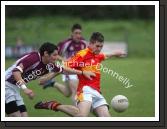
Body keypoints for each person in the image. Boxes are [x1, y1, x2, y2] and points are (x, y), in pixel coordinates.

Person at [35, 32, 126, 117]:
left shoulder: (97, 55)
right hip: (85, 91)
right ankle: (54, 105)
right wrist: (48, 77)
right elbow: (63, 67)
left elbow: (105, 55)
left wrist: (115, 54)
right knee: (81, 116)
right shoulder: (82, 55)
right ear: (90, 43)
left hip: (97, 93)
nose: (99, 49)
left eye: (101, 46)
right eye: (97, 46)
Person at [5, 42, 95, 117]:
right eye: (54, 55)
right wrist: (25, 89)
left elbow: (64, 70)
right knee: (15, 116)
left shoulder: (49, 64)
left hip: (15, 89)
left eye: (57, 55)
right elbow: (16, 72)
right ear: (46, 54)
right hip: (5, 85)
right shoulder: (34, 58)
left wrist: (83, 73)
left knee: (24, 117)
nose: (56, 58)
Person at [42, 23, 87, 104]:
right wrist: (64, 60)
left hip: (79, 69)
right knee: (76, 91)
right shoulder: (66, 43)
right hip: (68, 69)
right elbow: (54, 54)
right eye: (76, 33)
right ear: (72, 34)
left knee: (67, 93)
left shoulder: (83, 43)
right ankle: (79, 113)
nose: (78, 35)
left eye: (80, 33)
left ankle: (52, 83)